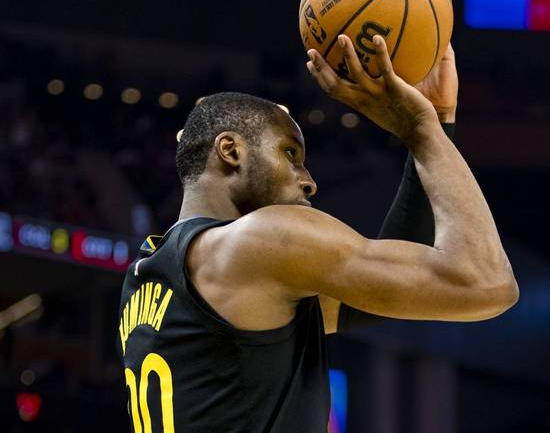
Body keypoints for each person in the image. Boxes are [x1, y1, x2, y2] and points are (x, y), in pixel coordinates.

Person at [117, 35, 518, 432]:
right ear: (231, 150)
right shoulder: (261, 240)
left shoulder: (150, 274)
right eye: (290, 154)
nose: (309, 181)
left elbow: (386, 292)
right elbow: (485, 283)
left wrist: (434, 127)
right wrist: (421, 128)